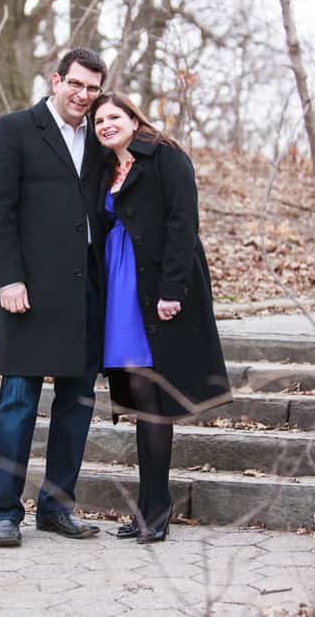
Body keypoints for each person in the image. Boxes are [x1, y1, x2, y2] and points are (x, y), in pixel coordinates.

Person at [0, 48, 108, 547]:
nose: (83, 95)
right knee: (17, 404)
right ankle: (4, 514)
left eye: (92, 88)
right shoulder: (16, 129)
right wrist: (7, 278)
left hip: (84, 294)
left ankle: (56, 509)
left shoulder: (99, 137)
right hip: (27, 294)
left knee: (76, 404)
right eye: (76, 84)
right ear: (56, 80)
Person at [91, 92, 231, 543]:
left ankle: (157, 510)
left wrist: (173, 291)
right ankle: (146, 510)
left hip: (153, 288)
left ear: (133, 118)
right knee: (138, 399)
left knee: (153, 400)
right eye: (98, 121)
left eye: (113, 116)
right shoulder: (106, 167)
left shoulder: (166, 156)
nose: (105, 125)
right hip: (119, 290)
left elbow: (182, 223)